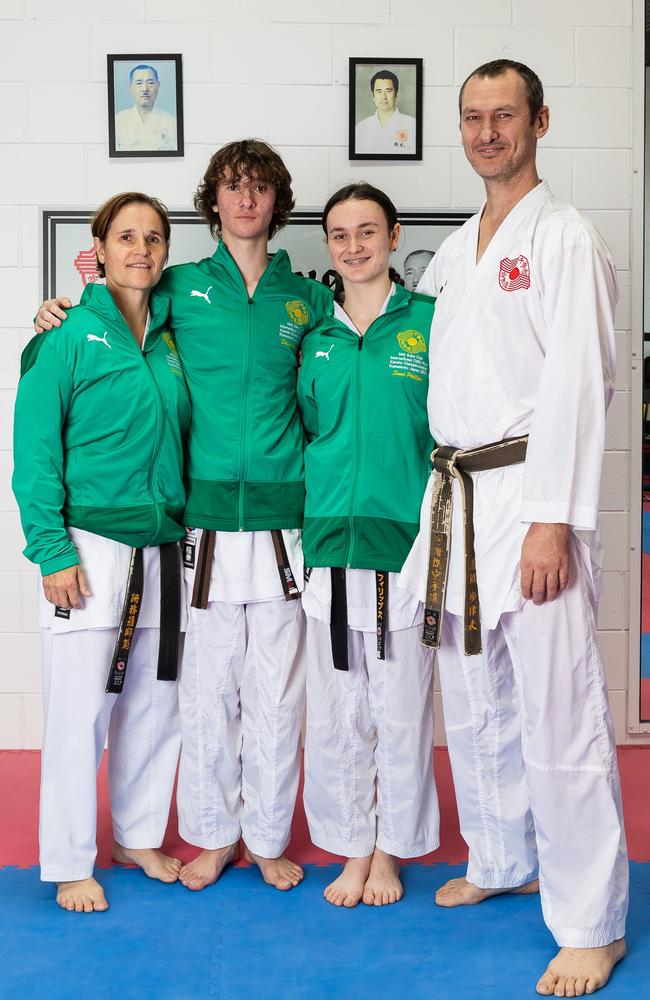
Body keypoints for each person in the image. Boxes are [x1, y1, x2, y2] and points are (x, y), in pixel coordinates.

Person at [35, 139, 333, 894]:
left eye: (259, 187)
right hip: (193, 527)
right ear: (212, 203)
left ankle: (264, 838)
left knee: (267, 695)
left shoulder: (309, 300)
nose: (245, 199)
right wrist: (57, 311)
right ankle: (208, 836)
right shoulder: (177, 291)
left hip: (275, 523)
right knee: (200, 695)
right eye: (231, 186)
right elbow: (105, 318)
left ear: (276, 201)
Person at [400, 59, 628, 996]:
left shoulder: (563, 236)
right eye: (473, 118)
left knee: (557, 705)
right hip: (457, 493)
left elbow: (580, 384)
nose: (487, 131)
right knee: (477, 695)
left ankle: (590, 921)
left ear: (539, 121)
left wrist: (551, 523)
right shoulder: (459, 248)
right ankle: (502, 855)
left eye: (505, 116)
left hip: (529, 491)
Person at [13, 192, 191, 913]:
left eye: (153, 237)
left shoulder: (174, 332)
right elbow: (33, 453)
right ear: (100, 246)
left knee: (155, 705)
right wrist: (52, 551)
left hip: (166, 541)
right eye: (126, 236)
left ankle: (138, 834)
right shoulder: (67, 333)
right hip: (89, 542)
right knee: (80, 708)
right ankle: (67, 860)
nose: (140, 249)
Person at [297, 183, 438, 908]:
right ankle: (353, 843)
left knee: (399, 708)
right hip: (327, 546)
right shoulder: (314, 337)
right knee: (337, 711)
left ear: (393, 234)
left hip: (403, 548)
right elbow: (311, 433)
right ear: (329, 246)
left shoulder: (429, 324)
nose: (354, 246)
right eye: (340, 235)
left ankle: (390, 849)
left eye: (367, 231)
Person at [115, 64, 177, 152]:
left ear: (158, 86)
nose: (145, 89)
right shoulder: (118, 121)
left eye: (151, 83)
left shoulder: (171, 122)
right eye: (139, 83)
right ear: (131, 87)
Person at [355, 70, 417, 155]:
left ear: (396, 94)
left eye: (388, 91)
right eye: (379, 91)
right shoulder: (361, 128)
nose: (383, 97)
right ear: (373, 95)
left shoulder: (413, 125)